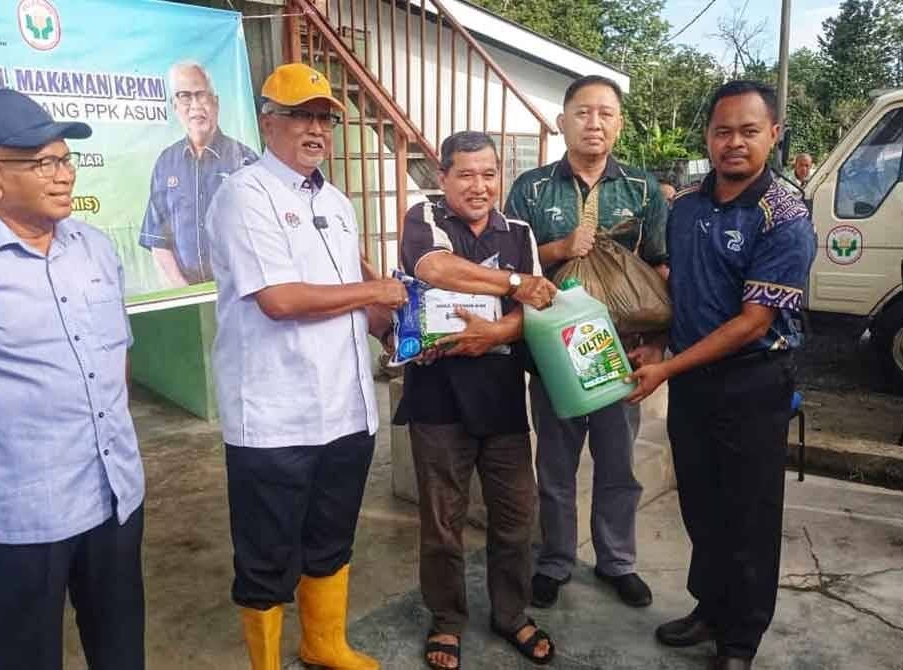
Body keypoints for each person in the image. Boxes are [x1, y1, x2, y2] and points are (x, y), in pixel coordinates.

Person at [0, 89, 145, 670]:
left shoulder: (94, 248)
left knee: (121, 650)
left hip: (114, 495)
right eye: (44, 162)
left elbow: (116, 357)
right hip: (21, 514)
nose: (64, 175)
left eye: (66, 159)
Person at [205, 62, 405, 670]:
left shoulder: (337, 202)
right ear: (267, 122)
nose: (316, 129)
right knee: (267, 554)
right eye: (301, 117)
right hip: (276, 416)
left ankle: (323, 642)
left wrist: (393, 322)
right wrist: (373, 293)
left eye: (325, 118)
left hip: (345, 408)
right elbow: (280, 300)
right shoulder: (245, 195)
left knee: (330, 537)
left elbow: (350, 294)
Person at [628, 80, 816, 670]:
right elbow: (680, 293)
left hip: (751, 381)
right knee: (702, 504)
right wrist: (657, 344)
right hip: (692, 381)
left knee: (749, 514)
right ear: (708, 137)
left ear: (773, 135)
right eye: (723, 131)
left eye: (749, 131)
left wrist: (666, 367)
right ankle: (710, 608)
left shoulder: (786, 216)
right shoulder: (685, 205)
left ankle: (740, 639)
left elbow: (753, 321)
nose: (734, 142)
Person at [394, 131, 558, 670]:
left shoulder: (520, 232)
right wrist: (511, 282)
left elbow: (535, 307)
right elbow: (433, 269)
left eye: (489, 174)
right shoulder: (426, 218)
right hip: (438, 399)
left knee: (515, 514)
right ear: (443, 178)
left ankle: (511, 613)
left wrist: (496, 332)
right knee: (443, 520)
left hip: (502, 397)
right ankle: (447, 619)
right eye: (465, 174)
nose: (479, 186)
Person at [504, 74, 668, 610]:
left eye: (605, 113)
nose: (593, 123)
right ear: (562, 121)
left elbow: (661, 269)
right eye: (582, 112)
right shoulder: (532, 188)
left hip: (620, 353)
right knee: (555, 466)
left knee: (618, 465)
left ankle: (617, 561)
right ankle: (555, 561)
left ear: (619, 124)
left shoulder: (641, 189)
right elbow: (509, 267)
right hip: (554, 353)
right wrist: (560, 247)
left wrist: (656, 344)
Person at [139, 60, 259, 286]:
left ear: (216, 103)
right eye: (185, 96)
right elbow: (158, 241)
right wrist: (185, 293)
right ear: (175, 106)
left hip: (241, 292)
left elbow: (264, 237)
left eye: (202, 95)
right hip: (187, 294)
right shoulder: (165, 163)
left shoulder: (246, 161)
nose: (195, 106)